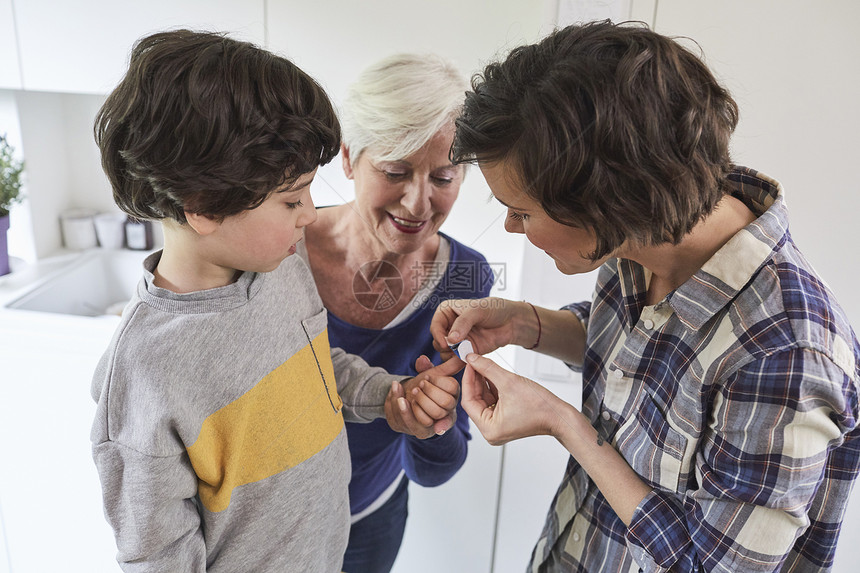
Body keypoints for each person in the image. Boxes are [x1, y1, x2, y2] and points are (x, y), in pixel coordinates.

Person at [431, 20, 860, 572]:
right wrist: (524, 324)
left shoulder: (788, 356)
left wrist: (564, 423)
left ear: (607, 203)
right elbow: (647, 354)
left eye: (522, 212)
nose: (513, 229)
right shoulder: (642, 237)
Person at [90, 30, 461, 572]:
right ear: (205, 207)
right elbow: (157, 555)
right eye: (292, 199)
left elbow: (318, 366)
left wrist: (387, 395)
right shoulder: (145, 372)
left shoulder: (281, 267)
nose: (310, 214)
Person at [301, 53, 493, 572]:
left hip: (371, 515)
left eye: (444, 177)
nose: (417, 204)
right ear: (347, 158)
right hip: (267, 519)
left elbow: (435, 471)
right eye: (395, 171)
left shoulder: (466, 280)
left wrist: (430, 422)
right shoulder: (278, 251)